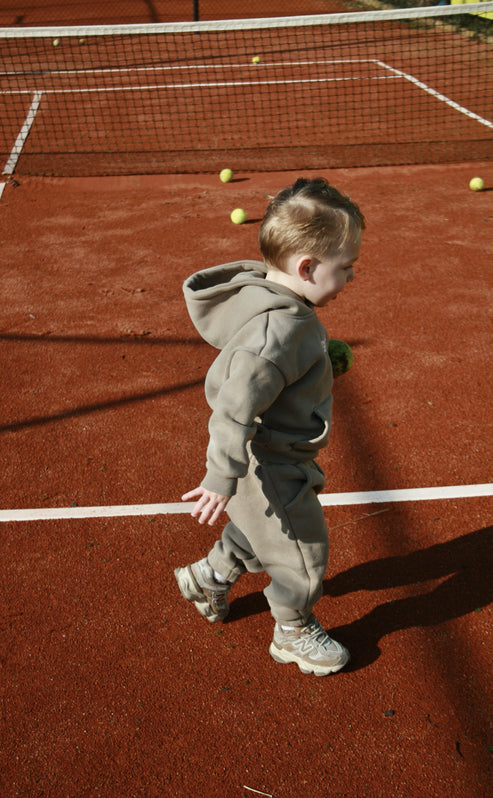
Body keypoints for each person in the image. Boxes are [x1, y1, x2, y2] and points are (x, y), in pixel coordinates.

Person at [174, 176, 364, 676]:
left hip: (273, 459)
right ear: (306, 267)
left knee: (260, 531)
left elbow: (278, 372)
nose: (349, 278)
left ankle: (209, 576)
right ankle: (293, 630)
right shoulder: (279, 330)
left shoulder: (283, 307)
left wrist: (322, 362)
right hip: (269, 465)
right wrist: (221, 476)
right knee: (303, 555)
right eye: (345, 269)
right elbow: (235, 405)